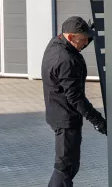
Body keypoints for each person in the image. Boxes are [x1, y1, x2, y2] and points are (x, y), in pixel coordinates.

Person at [42, 16, 107, 187]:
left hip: (58, 113)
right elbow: (75, 97)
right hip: (66, 119)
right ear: (70, 37)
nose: (85, 42)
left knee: (68, 164)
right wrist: (98, 122)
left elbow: (79, 41)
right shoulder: (66, 60)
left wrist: (91, 30)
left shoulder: (56, 43)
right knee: (65, 167)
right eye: (83, 38)